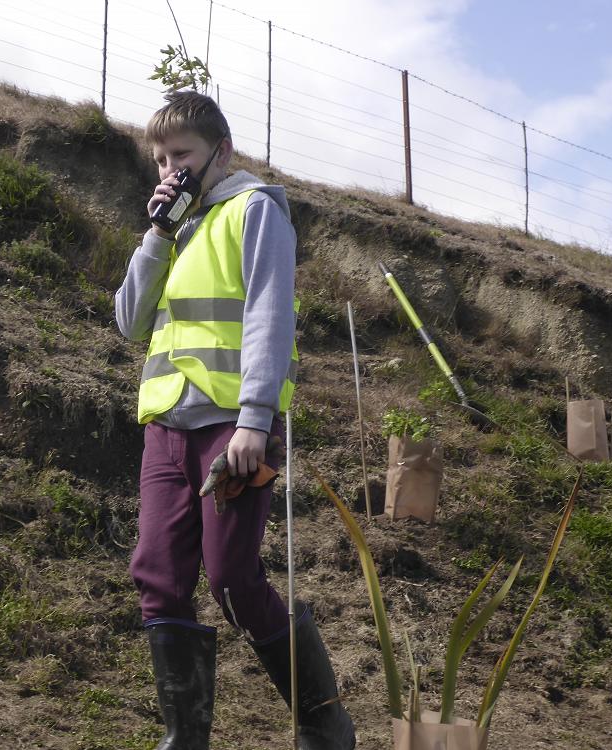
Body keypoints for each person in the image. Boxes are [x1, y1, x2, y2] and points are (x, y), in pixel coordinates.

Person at [115, 91, 356, 750]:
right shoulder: (177, 229)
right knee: (157, 575)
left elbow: (269, 315)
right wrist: (156, 234)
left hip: (233, 428)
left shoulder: (255, 210)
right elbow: (129, 320)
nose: (169, 170)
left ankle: (324, 722)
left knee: (230, 579)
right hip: (167, 428)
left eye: (182, 155)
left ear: (220, 151)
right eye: (160, 160)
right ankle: (184, 738)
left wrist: (254, 419)